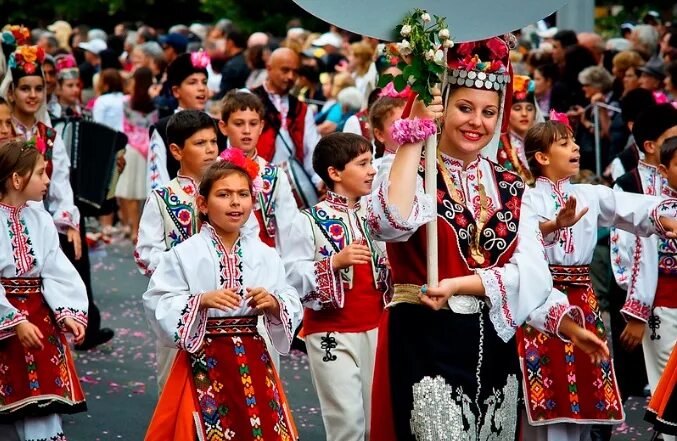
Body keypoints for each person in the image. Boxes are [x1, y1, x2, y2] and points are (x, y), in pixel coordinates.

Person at [366, 37, 607, 440]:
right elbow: (390, 221)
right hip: (424, 339)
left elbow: (529, 270)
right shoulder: (411, 169)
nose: (477, 122)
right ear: (441, 108)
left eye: (489, 112)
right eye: (464, 108)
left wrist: (566, 323)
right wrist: (414, 129)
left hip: (494, 347)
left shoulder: (511, 184)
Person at [519, 117, 677, 440]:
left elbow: (627, 208)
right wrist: (552, 226)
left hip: (583, 303)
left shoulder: (589, 195)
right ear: (542, 157)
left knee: (584, 402)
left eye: (574, 141)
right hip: (541, 304)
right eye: (564, 143)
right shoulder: (526, 200)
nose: (575, 147)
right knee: (547, 401)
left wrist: (662, 217)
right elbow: (519, 242)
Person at [143, 158, 302, 441]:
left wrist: (274, 302)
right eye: (224, 194)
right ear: (203, 204)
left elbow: (289, 294)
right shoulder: (184, 254)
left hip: (254, 357)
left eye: (243, 195)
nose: (235, 203)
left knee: (259, 426)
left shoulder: (265, 253)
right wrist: (200, 301)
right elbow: (158, 300)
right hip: (202, 357)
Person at [0, 45, 114, 350]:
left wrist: (69, 221)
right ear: (11, 92)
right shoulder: (3, 129)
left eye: (39, 88)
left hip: (42, 215)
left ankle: (73, 323)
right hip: (5, 214)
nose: (33, 95)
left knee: (73, 251)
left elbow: (60, 182)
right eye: (25, 88)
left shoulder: (49, 136)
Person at [285, 132, 390, 440]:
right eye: (363, 164)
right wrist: (333, 263)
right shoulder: (308, 220)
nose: (372, 170)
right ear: (335, 173)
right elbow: (291, 274)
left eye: (371, 162)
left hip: (377, 328)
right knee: (347, 423)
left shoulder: (375, 216)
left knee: (375, 423)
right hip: (331, 331)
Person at [0, 140, 88, 440]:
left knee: (42, 406)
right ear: (16, 179)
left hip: (40, 321)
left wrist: (66, 313)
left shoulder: (39, 217)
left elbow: (54, 269)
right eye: (40, 173)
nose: (47, 180)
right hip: (6, 322)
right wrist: (14, 321)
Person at [136, 110, 218, 389]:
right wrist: (184, 267)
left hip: (224, 307)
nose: (210, 150)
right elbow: (147, 253)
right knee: (175, 384)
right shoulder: (162, 198)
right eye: (200, 143)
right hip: (179, 305)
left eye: (213, 142)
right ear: (176, 150)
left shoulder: (228, 193)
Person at [611, 104, 677, 401]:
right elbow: (625, 252)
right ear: (651, 146)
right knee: (669, 387)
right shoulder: (629, 185)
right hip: (659, 300)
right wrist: (639, 308)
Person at [217, 90, 298, 251]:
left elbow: (289, 230)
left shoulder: (275, 176)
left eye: (253, 124)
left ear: (261, 126)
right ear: (223, 127)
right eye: (239, 124)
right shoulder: (212, 173)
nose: (247, 130)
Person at [251, 47, 323, 206]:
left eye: (295, 72)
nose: (290, 77)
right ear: (269, 68)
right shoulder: (248, 100)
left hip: (291, 189)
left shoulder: (302, 110)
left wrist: (320, 181)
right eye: (285, 70)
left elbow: (312, 150)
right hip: (254, 185)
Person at [146, 52, 227, 192]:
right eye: (192, 82)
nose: (201, 88)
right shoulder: (162, 128)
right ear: (176, 91)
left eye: (204, 82)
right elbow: (156, 179)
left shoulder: (218, 126)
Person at [641, 136, 677, 441]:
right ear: (664, 170)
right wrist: (637, 310)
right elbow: (641, 262)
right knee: (667, 383)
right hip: (664, 306)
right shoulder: (655, 209)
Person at [114, 67, 158, 241]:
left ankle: (134, 229)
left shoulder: (127, 102)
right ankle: (141, 230)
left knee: (130, 193)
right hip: (149, 148)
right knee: (144, 193)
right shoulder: (155, 103)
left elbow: (125, 127)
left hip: (131, 148)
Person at [497, 75, 540, 184]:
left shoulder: (542, 143)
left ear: (535, 113)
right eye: (517, 108)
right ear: (507, 113)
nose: (524, 114)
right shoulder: (498, 145)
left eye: (529, 109)